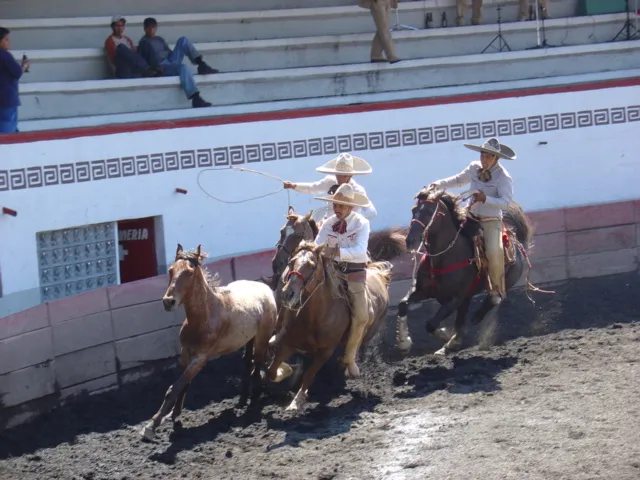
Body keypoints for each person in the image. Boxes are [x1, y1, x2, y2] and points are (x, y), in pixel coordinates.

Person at [428, 137, 517, 305]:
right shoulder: (474, 167)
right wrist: (438, 184)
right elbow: (458, 180)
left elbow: (506, 203)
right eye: (483, 155)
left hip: (491, 220)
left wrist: (485, 198)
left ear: (496, 158)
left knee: (493, 252)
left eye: (489, 156)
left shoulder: (504, 177)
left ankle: (497, 290)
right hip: (470, 216)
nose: (484, 159)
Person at [314, 183, 373, 378]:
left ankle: (349, 358)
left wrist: (335, 252)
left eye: (340, 205)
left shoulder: (362, 223)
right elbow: (317, 245)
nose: (336, 209)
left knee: (361, 315)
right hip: (330, 269)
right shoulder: (328, 222)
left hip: (354, 271)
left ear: (351, 207)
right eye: (335, 205)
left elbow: (360, 252)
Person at [137, 17, 217, 108]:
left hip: (170, 59)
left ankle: (201, 64)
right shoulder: (144, 43)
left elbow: (168, 51)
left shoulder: (159, 39)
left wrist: (174, 56)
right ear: (145, 29)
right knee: (183, 67)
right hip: (161, 66)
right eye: (149, 27)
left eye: (153, 27)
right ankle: (196, 97)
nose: (151, 30)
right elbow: (143, 62)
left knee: (183, 40)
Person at [283, 152, 377, 222]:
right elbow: (312, 188)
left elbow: (371, 212)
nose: (340, 178)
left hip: (349, 230)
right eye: (338, 174)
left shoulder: (358, 190)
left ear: (351, 175)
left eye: (344, 175)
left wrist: (355, 221)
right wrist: (293, 186)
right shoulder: (330, 181)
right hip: (328, 225)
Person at [104, 15, 160, 79]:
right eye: (117, 26)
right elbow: (114, 61)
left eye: (122, 26)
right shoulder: (109, 41)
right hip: (123, 69)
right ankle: (145, 69)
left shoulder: (127, 39)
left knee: (145, 43)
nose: (120, 28)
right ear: (112, 27)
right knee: (121, 47)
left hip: (134, 67)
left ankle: (156, 68)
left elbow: (134, 54)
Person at [0, 27, 29, 134]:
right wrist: (24, 66)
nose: (9, 42)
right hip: (6, 99)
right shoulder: (4, 55)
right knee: (7, 130)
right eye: (6, 39)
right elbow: (17, 72)